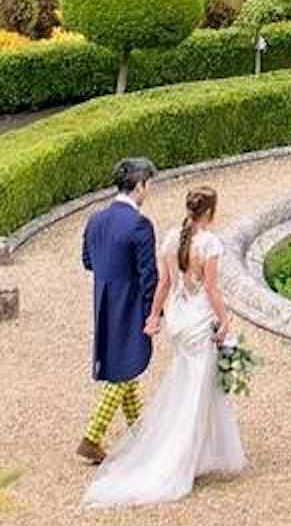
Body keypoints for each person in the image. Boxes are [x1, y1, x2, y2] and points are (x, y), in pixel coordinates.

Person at [84, 182, 246, 508]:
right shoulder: (209, 243)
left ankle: (194, 451)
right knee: (195, 390)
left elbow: (164, 283)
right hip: (199, 320)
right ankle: (180, 456)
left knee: (186, 381)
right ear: (211, 212)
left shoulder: (172, 239)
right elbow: (212, 290)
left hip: (179, 320)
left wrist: (154, 316)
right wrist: (225, 321)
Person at [78, 156, 159, 463]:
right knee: (126, 368)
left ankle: (142, 435)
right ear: (139, 185)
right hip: (130, 302)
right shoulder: (140, 224)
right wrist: (154, 313)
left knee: (127, 365)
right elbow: (148, 275)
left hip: (103, 299)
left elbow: (87, 261)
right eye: (148, 184)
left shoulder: (95, 219)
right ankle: (92, 435)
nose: (149, 190)